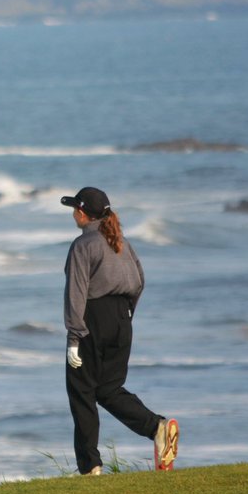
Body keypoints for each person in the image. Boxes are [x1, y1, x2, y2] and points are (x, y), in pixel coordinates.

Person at [59, 186, 178, 475]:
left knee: (82, 391)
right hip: (122, 320)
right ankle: (158, 428)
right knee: (108, 389)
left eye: (75, 208)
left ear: (82, 213)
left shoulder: (82, 245)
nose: (74, 212)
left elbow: (76, 294)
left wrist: (74, 337)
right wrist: (125, 317)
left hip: (93, 321)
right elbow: (139, 282)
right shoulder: (121, 241)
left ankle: (90, 466)